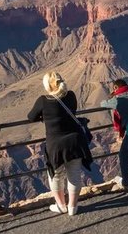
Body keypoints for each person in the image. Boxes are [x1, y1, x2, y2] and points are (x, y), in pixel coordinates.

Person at [28, 72, 92, 216]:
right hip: (75, 142)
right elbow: (72, 111)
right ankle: (72, 208)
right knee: (74, 174)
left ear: (47, 86)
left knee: (55, 176)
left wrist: (44, 116)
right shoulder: (71, 95)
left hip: (56, 145)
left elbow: (31, 117)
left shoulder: (43, 100)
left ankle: (61, 206)